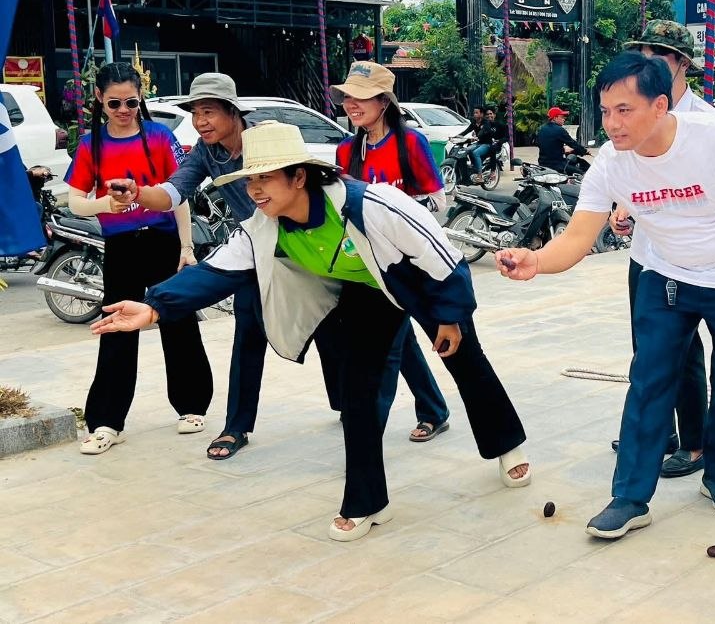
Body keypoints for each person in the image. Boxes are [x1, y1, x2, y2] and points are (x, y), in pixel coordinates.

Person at [94, 121, 531, 542]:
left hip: (420, 281)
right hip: (367, 292)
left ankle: (507, 445)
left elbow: (441, 256)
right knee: (357, 393)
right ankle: (367, 502)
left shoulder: (370, 204)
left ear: (299, 176)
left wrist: (450, 317)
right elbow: (215, 271)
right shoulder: (263, 226)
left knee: (465, 362)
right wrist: (153, 308)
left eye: (266, 178)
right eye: (250, 180)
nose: (255, 190)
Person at [497, 52, 715, 540]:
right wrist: (538, 261)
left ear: (660, 106)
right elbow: (578, 236)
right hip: (667, 275)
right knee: (649, 380)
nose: (612, 124)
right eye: (605, 111)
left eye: (624, 110)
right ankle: (630, 498)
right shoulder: (611, 164)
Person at [113, 72, 343, 461]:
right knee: (248, 331)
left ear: (233, 112)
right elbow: (173, 191)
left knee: (328, 324)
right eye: (195, 113)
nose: (200, 121)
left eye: (209, 112)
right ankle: (237, 426)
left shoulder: (265, 138)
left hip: (301, 246)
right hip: (251, 250)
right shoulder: (207, 152)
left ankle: (368, 402)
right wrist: (138, 193)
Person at [70, 61, 212, 455]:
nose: (123, 110)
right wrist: (105, 204)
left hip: (163, 240)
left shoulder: (159, 136)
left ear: (140, 98)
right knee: (117, 325)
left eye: (131, 102)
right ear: (99, 99)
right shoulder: (91, 145)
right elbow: (76, 201)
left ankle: (192, 405)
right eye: (114, 103)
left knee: (178, 319)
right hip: (121, 245)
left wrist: (186, 247)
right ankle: (106, 421)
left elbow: (177, 195)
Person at [605, 20, 715, 479]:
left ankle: (694, 443)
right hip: (646, 255)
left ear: (682, 64)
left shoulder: (706, 123)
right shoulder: (632, 113)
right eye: (642, 54)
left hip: (689, 259)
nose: (648, 63)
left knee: (684, 351)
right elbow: (627, 172)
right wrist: (622, 207)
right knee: (648, 348)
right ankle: (659, 432)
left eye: (658, 55)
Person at [333, 60, 452, 443]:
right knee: (398, 341)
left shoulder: (410, 143)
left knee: (388, 348)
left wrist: (392, 211)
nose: (351, 104)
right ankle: (433, 409)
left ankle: (367, 433)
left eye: (361, 97)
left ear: (384, 102)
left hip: (409, 264)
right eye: (347, 97)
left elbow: (438, 201)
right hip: (366, 264)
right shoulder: (345, 151)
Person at [535, 107, 588, 173]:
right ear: (555, 118)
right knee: (581, 173)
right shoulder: (559, 130)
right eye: (562, 117)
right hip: (557, 164)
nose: (564, 119)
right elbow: (573, 144)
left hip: (542, 163)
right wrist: (584, 151)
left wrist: (562, 149)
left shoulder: (542, 129)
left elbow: (541, 144)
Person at [468, 107, 502, 182]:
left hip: (488, 144)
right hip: (479, 143)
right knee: (467, 149)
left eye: (476, 113)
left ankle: (481, 175)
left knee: (476, 153)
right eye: (487, 114)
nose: (474, 114)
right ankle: (474, 167)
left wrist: (499, 141)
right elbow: (467, 131)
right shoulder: (475, 122)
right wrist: (456, 136)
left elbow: (483, 131)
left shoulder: (488, 123)